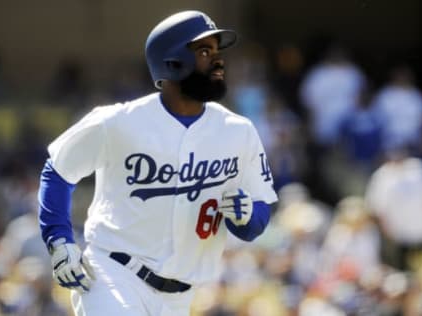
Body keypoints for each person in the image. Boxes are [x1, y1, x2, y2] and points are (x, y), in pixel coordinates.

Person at [37, 10, 278, 316]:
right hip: (114, 274)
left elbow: (258, 217)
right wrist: (59, 239)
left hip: (181, 297)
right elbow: (58, 169)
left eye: (217, 52)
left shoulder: (238, 131)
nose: (218, 61)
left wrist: (247, 216)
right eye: (204, 51)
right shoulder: (118, 122)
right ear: (172, 62)